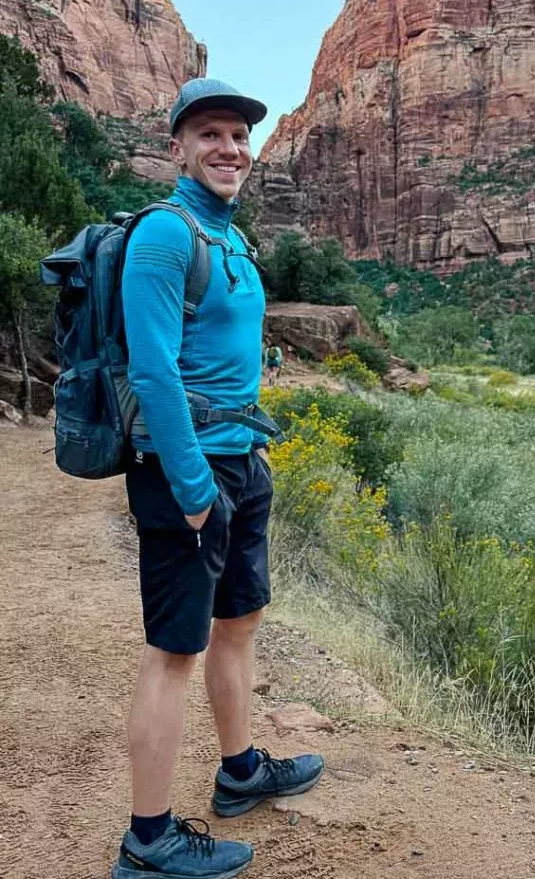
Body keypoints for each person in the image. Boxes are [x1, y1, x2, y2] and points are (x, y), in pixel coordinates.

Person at [112, 79, 324, 879]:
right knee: (173, 651)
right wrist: (196, 488)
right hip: (186, 474)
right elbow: (154, 371)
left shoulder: (230, 239)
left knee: (239, 623)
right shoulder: (165, 237)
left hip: (242, 461)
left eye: (238, 135)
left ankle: (239, 772)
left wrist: (241, 465)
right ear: (177, 148)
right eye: (209, 133)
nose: (229, 148)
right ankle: (148, 840)